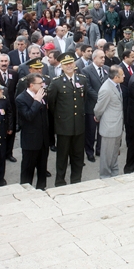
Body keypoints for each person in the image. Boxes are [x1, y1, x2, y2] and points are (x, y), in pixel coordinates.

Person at [47, 52, 89, 185]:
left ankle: (76, 180)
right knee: (62, 157)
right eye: (65, 64)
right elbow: (52, 106)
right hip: (64, 126)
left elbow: (85, 100)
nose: (69, 66)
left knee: (78, 156)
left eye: (71, 63)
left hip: (79, 126)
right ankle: (60, 181)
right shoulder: (56, 83)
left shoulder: (82, 80)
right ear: (61, 66)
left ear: (75, 64)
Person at [16, 73, 50, 190]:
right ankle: (26, 190)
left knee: (42, 167)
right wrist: (36, 101)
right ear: (31, 85)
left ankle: (41, 188)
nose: (43, 85)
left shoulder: (42, 95)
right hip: (30, 140)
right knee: (28, 168)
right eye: (40, 83)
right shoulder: (21, 99)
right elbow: (28, 116)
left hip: (43, 139)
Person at [93, 65, 125, 178]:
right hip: (110, 127)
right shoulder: (106, 89)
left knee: (114, 152)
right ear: (116, 77)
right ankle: (105, 175)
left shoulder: (116, 85)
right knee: (107, 154)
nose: (124, 76)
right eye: (122, 75)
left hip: (117, 125)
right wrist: (97, 117)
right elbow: (98, 108)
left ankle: (114, 172)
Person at [81, 49, 108, 162]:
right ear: (94, 58)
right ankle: (89, 151)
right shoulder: (86, 70)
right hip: (92, 106)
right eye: (101, 57)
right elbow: (88, 88)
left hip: (104, 106)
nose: (103, 59)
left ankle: (99, 149)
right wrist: (101, 99)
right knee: (91, 131)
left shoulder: (106, 69)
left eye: (104, 57)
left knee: (102, 130)